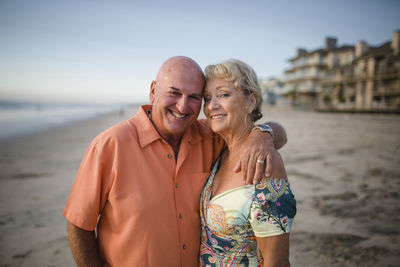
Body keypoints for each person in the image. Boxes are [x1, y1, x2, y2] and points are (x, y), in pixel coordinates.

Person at [63, 56, 287, 267]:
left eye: (194, 97)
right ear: (153, 91)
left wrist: (264, 134)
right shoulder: (110, 145)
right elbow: (79, 224)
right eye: (174, 93)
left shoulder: (211, 136)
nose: (182, 106)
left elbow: (270, 132)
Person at [199, 59, 296, 266]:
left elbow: (276, 262)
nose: (211, 106)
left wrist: (264, 133)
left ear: (251, 101)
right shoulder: (221, 151)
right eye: (207, 98)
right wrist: (266, 131)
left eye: (224, 94)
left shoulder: (265, 161)